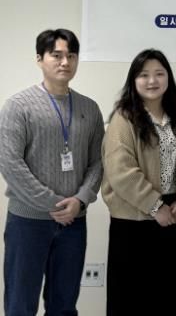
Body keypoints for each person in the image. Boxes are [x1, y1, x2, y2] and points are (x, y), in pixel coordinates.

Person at [0, 28, 104, 316]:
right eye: (56, 55)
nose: (65, 62)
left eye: (71, 55)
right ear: (39, 59)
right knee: (20, 305)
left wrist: (80, 200)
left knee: (64, 305)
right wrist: (54, 204)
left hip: (74, 223)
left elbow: (98, 162)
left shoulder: (89, 108)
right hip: (28, 222)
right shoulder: (18, 106)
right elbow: (10, 163)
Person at [101, 49, 176, 316]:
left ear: (168, 78)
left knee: (168, 296)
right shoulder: (124, 118)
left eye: (159, 74)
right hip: (133, 220)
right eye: (144, 75)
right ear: (133, 80)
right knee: (131, 299)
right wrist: (155, 207)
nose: (152, 81)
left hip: (172, 216)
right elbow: (121, 171)